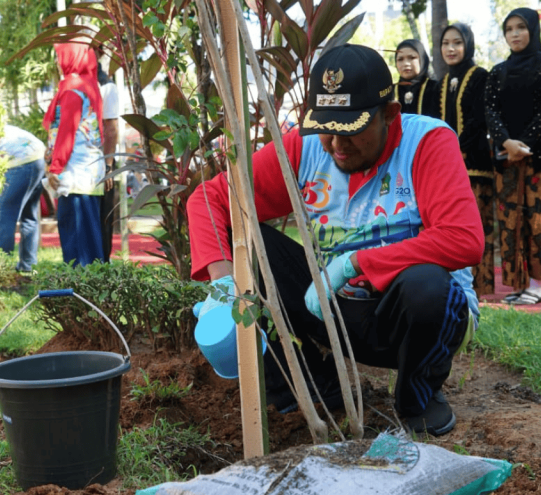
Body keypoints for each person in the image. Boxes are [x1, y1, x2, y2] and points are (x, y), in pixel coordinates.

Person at [187, 44, 484, 437]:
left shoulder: (426, 143)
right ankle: (310, 384)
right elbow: (210, 200)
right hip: (333, 307)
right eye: (326, 128)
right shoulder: (305, 146)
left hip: (408, 318)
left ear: (389, 116)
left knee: (429, 285)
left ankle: (418, 395)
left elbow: (463, 240)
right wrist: (225, 286)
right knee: (251, 251)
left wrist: (358, 263)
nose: (337, 145)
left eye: (353, 130)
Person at [485, 7, 541, 305]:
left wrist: (522, 145)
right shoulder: (497, 72)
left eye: (521, 27)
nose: (515, 34)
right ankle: (519, 284)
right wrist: (506, 142)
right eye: (509, 29)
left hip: (540, 158)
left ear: (532, 30)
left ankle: (537, 286)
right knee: (510, 222)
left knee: (539, 221)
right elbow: (491, 111)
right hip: (507, 159)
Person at [429, 23, 494, 299]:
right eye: (446, 43)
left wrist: (453, 150)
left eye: (457, 42)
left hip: (475, 164)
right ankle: (452, 287)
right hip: (446, 170)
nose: (451, 48)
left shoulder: (480, 77)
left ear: (468, 44)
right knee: (447, 228)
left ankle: (480, 288)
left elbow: (480, 120)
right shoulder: (439, 84)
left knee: (476, 226)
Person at [43, 42, 106, 267]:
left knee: (76, 240)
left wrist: (55, 168)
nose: (59, 65)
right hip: (88, 169)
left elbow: (66, 133)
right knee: (88, 238)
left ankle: (80, 294)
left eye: (61, 58)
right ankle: (93, 292)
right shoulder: (89, 85)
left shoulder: (72, 89)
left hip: (74, 170)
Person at [0, 124, 46, 273]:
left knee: (3, 213)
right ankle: (28, 265)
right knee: (29, 215)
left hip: (21, 162)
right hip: (38, 158)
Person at [98, 60, 120, 262]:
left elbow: (111, 130)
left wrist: (108, 166)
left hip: (103, 162)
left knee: (104, 220)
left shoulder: (106, 86)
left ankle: (103, 264)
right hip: (82, 164)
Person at [393, 39, 436, 117]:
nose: (406, 63)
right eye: (400, 59)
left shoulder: (436, 89)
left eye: (412, 58)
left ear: (422, 60)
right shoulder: (390, 93)